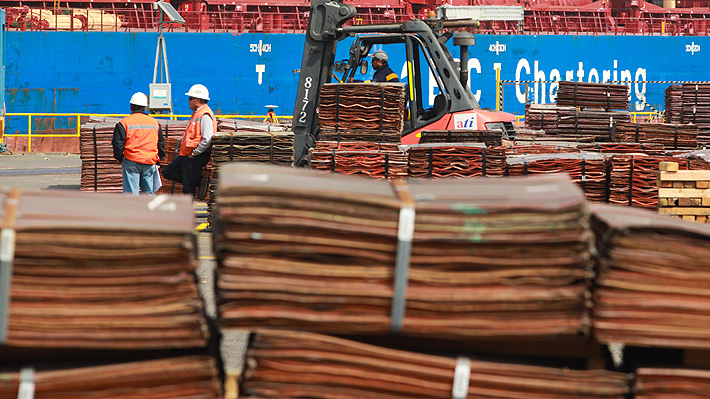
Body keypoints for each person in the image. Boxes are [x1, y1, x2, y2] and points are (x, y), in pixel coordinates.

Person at [161, 84, 215, 197]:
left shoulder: (205, 114)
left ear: (198, 100)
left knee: (188, 188)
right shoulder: (197, 113)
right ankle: (199, 181)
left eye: (190, 98)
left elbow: (207, 138)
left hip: (195, 156)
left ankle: (188, 211)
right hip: (187, 154)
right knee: (168, 172)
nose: (188, 101)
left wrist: (195, 153)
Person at [112, 92, 165, 195]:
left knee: (132, 194)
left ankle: (133, 211)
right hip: (150, 161)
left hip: (131, 160)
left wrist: (120, 158)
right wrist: (158, 159)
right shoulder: (154, 123)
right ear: (145, 108)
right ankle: (149, 210)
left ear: (131, 107)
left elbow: (117, 144)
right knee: (148, 192)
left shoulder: (124, 123)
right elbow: (160, 143)